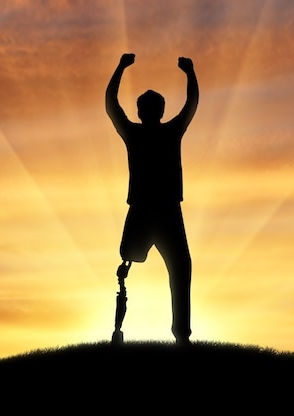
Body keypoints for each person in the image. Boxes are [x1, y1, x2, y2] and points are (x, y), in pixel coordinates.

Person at [106, 53, 199, 346]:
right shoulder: (169, 132)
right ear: (158, 111)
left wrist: (121, 68)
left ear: (142, 110)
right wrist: (190, 73)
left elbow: (111, 105)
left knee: (174, 266)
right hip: (162, 210)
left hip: (153, 210)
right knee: (178, 268)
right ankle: (181, 336)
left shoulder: (137, 134)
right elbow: (192, 103)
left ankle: (180, 336)